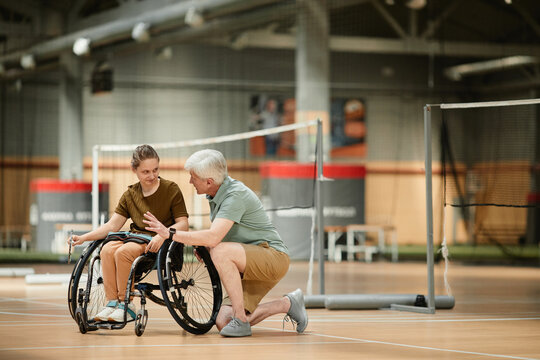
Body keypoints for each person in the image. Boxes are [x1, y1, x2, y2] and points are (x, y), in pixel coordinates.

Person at [143, 149, 308, 337]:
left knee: (221, 252)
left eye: (193, 177)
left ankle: (241, 319)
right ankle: (288, 304)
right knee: (223, 323)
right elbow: (221, 235)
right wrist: (205, 246)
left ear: (209, 182)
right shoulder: (215, 194)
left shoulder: (235, 196)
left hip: (273, 256)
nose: (190, 181)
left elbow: (214, 237)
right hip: (249, 261)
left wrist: (169, 233)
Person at [70, 144, 189, 323]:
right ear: (134, 170)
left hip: (160, 240)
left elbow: (184, 224)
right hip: (137, 237)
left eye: (155, 170)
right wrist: (84, 238)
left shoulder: (171, 189)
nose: (152, 175)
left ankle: (127, 305)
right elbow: (112, 225)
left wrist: (162, 234)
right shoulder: (130, 194)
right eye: (146, 172)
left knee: (123, 252)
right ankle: (112, 303)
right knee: (107, 249)